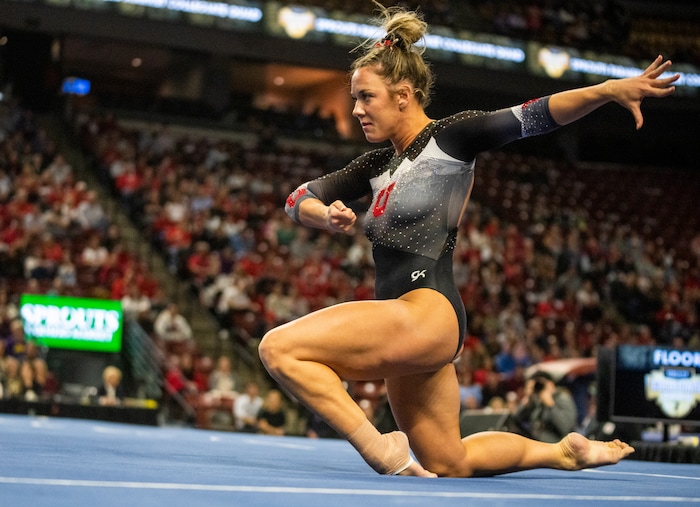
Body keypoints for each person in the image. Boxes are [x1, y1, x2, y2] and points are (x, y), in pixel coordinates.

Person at [258, 3, 677, 478]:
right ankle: (562, 453)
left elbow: (535, 116)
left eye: (366, 98)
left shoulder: (451, 138)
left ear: (403, 96)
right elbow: (299, 197)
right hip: (407, 326)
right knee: (448, 460)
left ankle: (381, 452)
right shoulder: (374, 167)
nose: (356, 110)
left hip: (426, 311)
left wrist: (605, 90)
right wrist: (323, 214)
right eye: (354, 99)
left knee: (279, 348)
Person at [512, 371, 578, 443]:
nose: (539, 388)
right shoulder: (537, 402)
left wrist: (550, 405)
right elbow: (515, 421)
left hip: (557, 445)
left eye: (541, 384)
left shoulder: (562, 398)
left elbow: (566, 427)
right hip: (538, 445)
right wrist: (528, 398)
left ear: (551, 384)